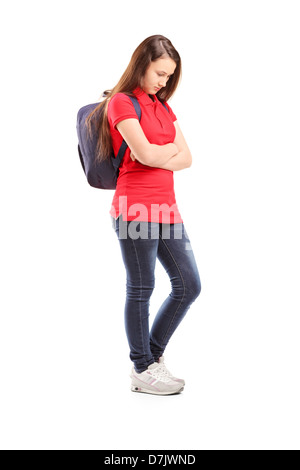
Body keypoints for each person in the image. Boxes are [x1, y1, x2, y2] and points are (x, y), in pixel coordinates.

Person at [88, 35, 201, 395]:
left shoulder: (162, 107)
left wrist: (158, 151)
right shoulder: (121, 103)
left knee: (189, 285)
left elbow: (187, 158)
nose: (163, 82)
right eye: (159, 73)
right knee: (142, 288)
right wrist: (161, 151)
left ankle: (151, 359)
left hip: (167, 208)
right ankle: (142, 368)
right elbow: (147, 155)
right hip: (135, 208)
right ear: (142, 64)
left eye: (169, 77)